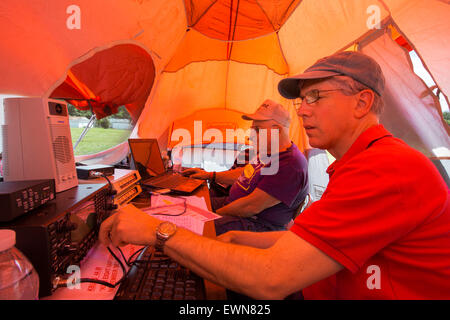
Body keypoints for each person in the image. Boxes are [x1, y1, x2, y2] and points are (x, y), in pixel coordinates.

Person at [99, 51, 450, 299]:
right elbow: (314, 242)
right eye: (302, 102)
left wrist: (159, 232)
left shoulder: (387, 168)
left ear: (362, 102)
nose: (304, 112)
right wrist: (242, 241)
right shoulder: (357, 163)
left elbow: (271, 280)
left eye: (315, 97)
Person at [182, 99, 309, 235]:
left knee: (191, 226)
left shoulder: (289, 165)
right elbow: (247, 173)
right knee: (188, 205)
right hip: (235, 206)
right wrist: (209, 175)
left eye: (258, 130)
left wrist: (211, 215)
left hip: (256, 223)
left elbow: (250, 206)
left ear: (276, 130)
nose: (251, 136)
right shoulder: (270, 152)